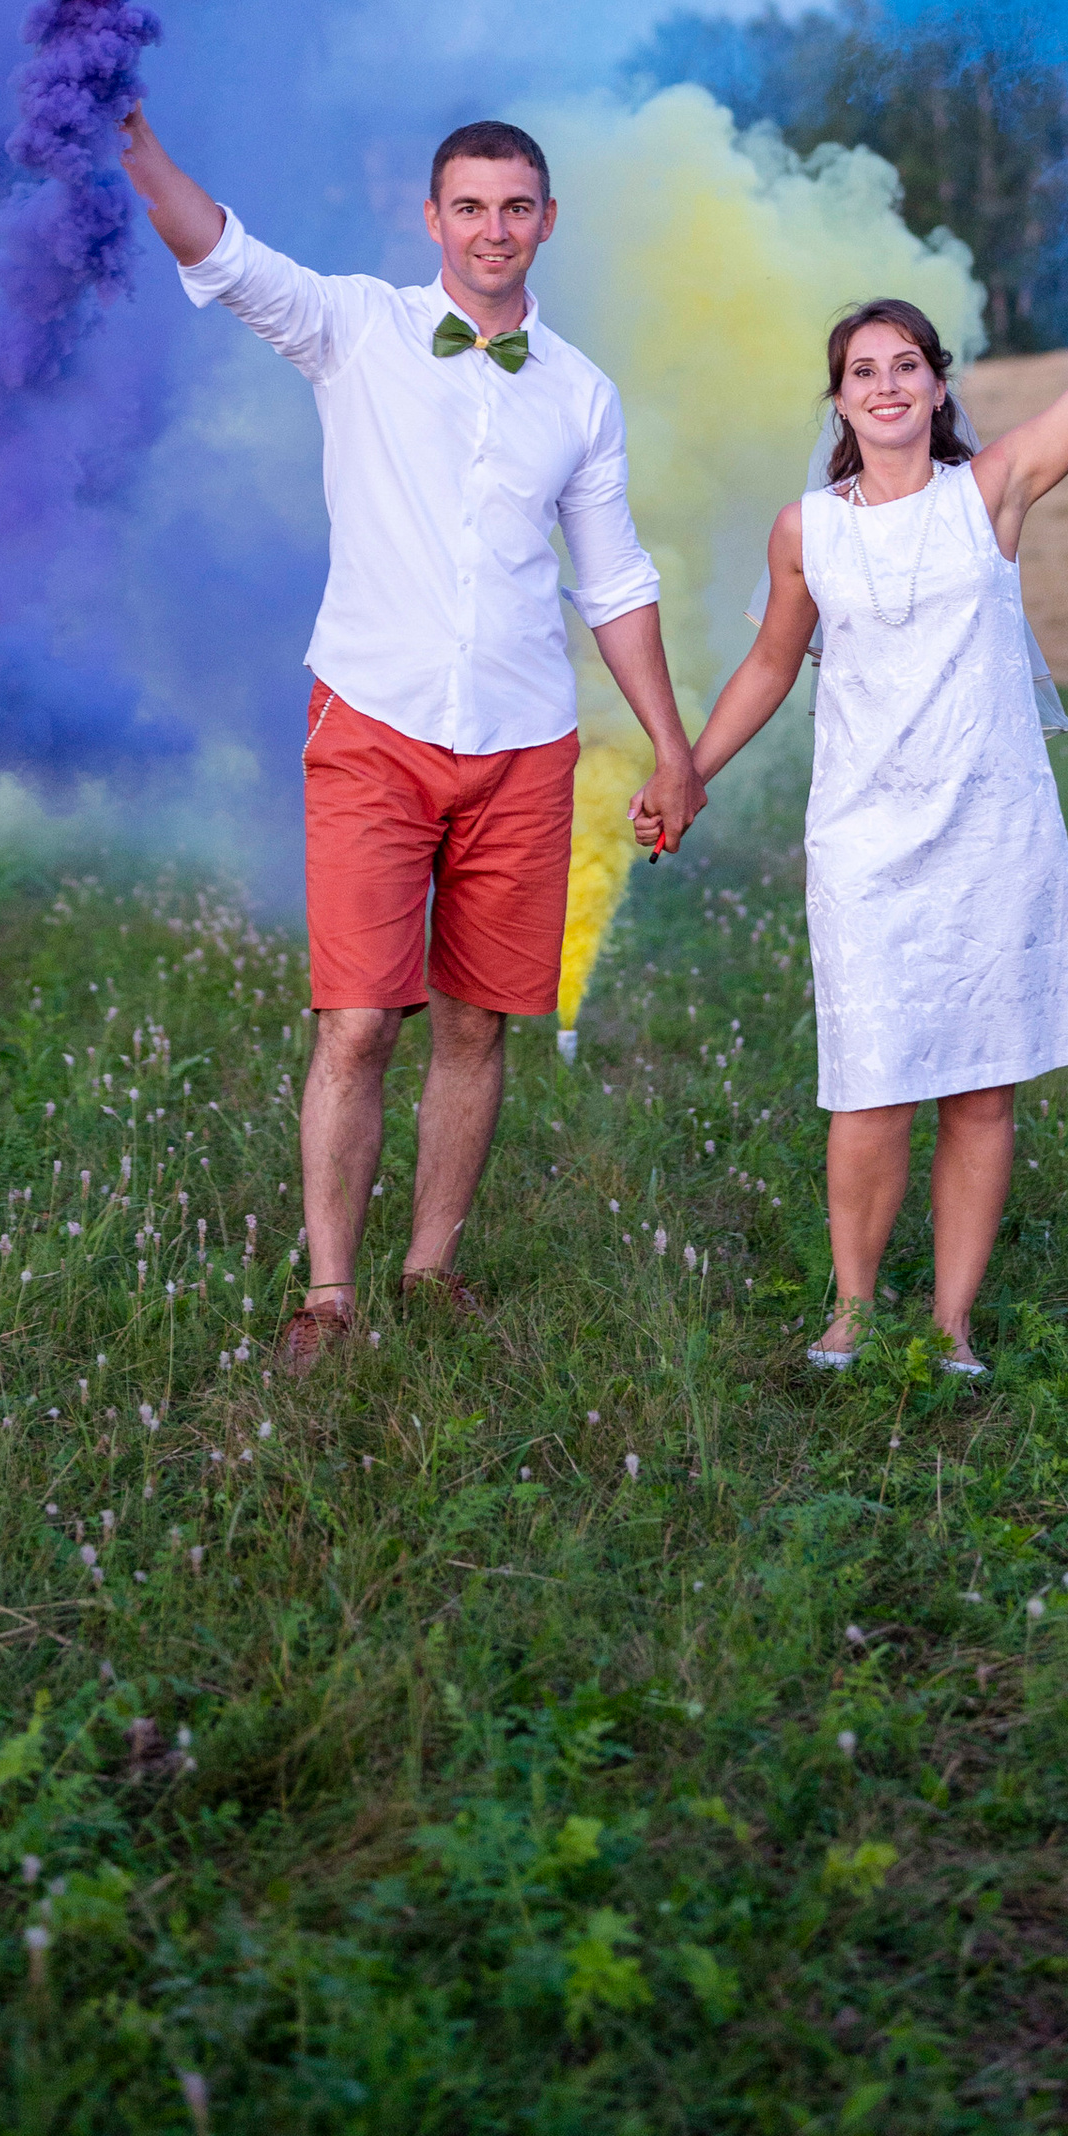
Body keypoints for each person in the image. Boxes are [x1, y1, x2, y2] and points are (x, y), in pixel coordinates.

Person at [637, 173, 1068, 1373]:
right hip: (865, 839)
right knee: (870, 1084)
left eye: (905, 366)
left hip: (992, 829)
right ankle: (849, 1311)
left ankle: (949, 1328)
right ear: (837, 400)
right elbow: (770, 664)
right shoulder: (808, 530)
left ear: (938, 385)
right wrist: (688, 768)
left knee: (981, 1090)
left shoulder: (992, 490)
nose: (885, 386)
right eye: (860, 372)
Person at [119, 108, 704, 1370]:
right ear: (431, 218)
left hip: (522, 741)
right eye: (470, 206)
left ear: (547, 221)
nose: (494, 229)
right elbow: (223, 254)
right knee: (356, 1023)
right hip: (373, 724)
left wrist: (671, 744)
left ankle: (429, 1266)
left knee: (479, 1023)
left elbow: (611, 582)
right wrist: (133, 145)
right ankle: (328, 1294)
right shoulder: (356, 328)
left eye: (516, 207)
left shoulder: (581, 392)